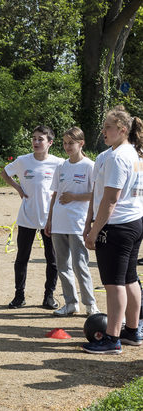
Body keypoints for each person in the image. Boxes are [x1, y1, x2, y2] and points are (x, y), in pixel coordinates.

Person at [82, 106, 143, 354]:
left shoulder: (119, 157)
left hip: (117, 226)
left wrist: (95, 231)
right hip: (133, 222)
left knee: (114, 283)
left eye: (108, 127)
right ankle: (132, 330)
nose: (103, 131)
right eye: (104, 126)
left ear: (122, 130)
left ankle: (112, 339)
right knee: (129, 278)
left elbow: (110, 200)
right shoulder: (132, 154)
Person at [0, 126, 63, 309]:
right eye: (34, 138)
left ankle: (49, 296)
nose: (36, 142)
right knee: (22, 258)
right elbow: (4, 173)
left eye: (40, 139)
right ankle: (19, 296)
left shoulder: (59, 163)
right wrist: (18, 188)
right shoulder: (23, 161)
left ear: (50, 143)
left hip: (49, 218)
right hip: (27, 217)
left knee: (52, 259)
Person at [44, 127, 100, 316]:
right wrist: (49, 219)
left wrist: (75, 197)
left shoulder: (90, 166)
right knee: (62, 266)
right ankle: (70, 303)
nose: (67, 146)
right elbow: (55, 194)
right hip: (59, 222)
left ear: (81, 143)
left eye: (71, 143)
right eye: (65, 143)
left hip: (78, 223)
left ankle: (90, 305)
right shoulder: (61, 166)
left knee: (80, 265)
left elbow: (97, 194)